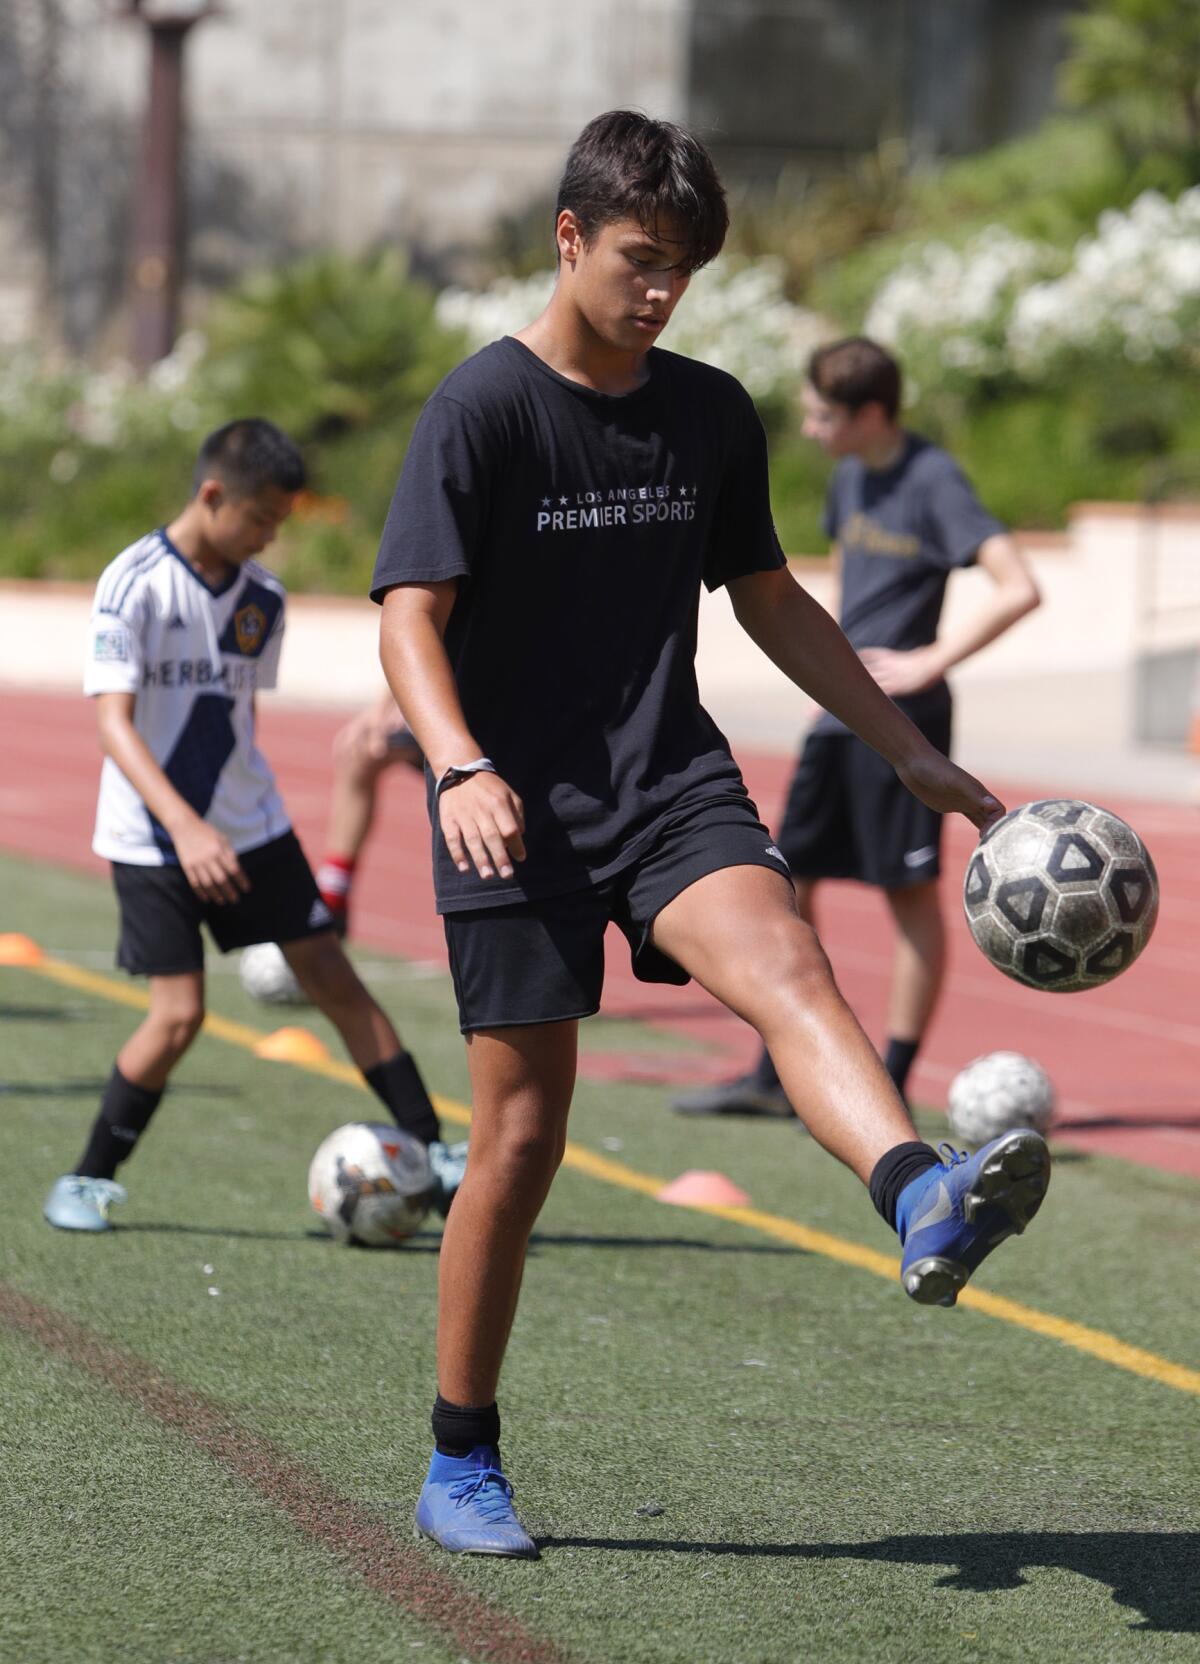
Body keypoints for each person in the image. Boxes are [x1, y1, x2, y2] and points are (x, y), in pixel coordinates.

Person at [371, 112, 1051, 1560]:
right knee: (520, 1136)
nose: (664, 289)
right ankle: (460, 1456)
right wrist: (458, 765)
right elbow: (407, 613)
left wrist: (909, 749)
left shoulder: (710, 410)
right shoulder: (480, 409)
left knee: (792, 966)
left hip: (668, 779)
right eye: (641, 258)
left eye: (685, 267)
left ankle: (920, 1193)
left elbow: (773, 596)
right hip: (510, 810)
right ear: (570, 240)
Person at [42, 419, 465, 1234]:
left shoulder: (262, 599)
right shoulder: (132, 583)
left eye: (281, 522)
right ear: (212, 495)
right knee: (179, 1015)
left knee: (332, 977)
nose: (271, 536)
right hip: (155, 838)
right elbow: (114, 727)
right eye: (262, 518)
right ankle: (88, 1177)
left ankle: (433, 1147)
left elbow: (227, 717)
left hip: (252, 827)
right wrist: (187, 830)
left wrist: (228, 824)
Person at [673, 337, 1041, 1119]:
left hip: (909, 716)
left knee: (908, 895)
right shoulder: (847, 478)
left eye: (822, 415)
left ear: (869, 414)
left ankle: (896, 1079)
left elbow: (1019, 587)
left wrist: (930, 659)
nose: (809, 429)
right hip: (841, 711)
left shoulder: (934, 480)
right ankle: (780, 1071)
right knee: (786, 881)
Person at [315, 689, 424, 937]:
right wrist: (380, 713)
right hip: (440, 704)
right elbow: (404, 651)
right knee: (358, 752)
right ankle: (334, 894)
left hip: (481, 715)